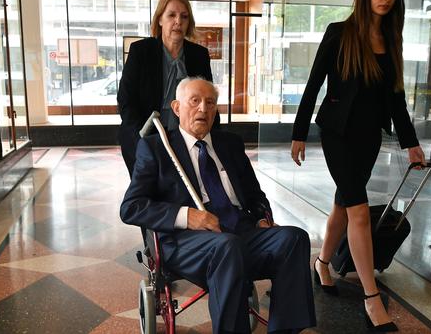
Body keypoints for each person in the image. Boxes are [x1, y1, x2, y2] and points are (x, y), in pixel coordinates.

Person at [121, 77, 316, 334]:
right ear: (177, 108)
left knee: (295, 238)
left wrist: (261, 218)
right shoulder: (156, 148)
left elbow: (254, 194)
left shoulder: (230, 144)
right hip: (186, 241)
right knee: (227, 247)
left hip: (240, 232)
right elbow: (131, 207)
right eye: (195, 101)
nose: (204, 109)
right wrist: (187, 216)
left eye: (210, 102)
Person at [290, 0, 425, 332]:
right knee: (359, 212)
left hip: (369, 138)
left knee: (343, 204)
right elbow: (313, 84)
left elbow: (397, 100)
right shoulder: (339, 33)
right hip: (337, 134)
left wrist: (411, 142)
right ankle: (370, 297)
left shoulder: (390, 38)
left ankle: (321, 263)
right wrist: (298, 133)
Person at [117, 0, 214, 175]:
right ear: (160, 20)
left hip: (188, 137)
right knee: (150, 195)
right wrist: (141, 139)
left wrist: (211, 137)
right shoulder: (140, 51)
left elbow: (208, 100)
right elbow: (126, 100)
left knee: (187, 191)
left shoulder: (199, 55)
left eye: (184, 16)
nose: (178, 21)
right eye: (172, 15)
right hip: (146, 136)